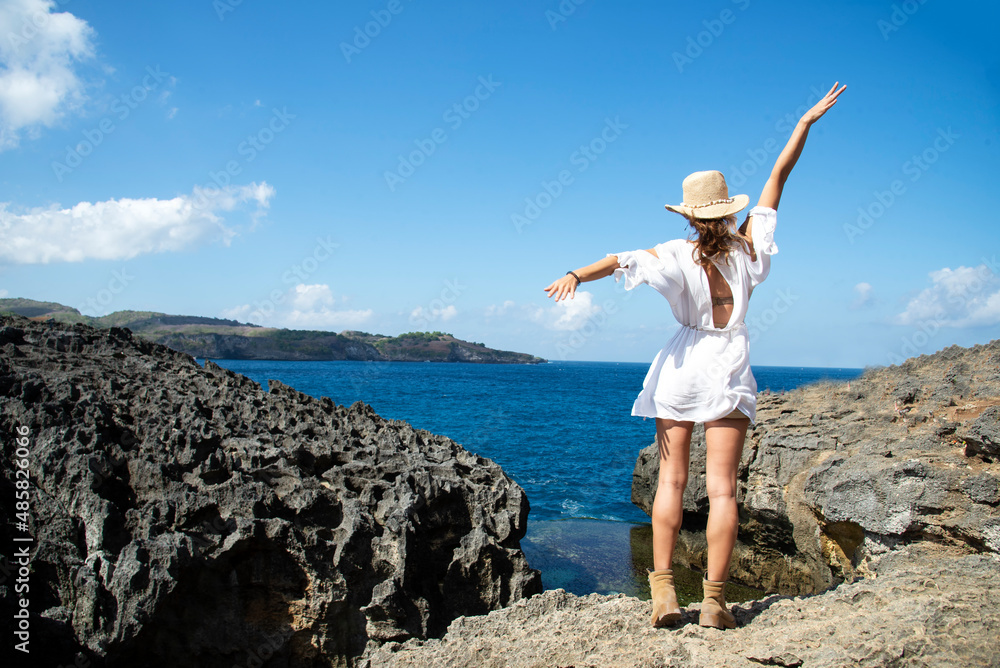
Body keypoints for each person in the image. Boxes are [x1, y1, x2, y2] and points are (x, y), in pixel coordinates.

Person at [544, 82, 846, 629]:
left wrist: (573, 276)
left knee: (671, 482)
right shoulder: (750, 248)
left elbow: (617, 259)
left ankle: (663, 593)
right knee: (724, 489)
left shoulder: (674, 252)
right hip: (728, 365)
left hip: (681, 367)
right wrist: (803, 124)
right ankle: (713, 601)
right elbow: (779, 178)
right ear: (728, 209)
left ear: (688, 215)